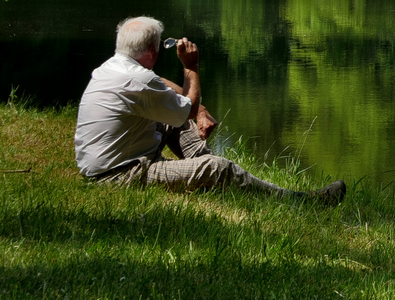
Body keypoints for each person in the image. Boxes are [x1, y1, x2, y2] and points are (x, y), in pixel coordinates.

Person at [74, 15, 345, 205]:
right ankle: (303, 202)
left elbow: (160, 86)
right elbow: (185, 109)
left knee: (174, 121)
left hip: (104, 166)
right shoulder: (138, 79)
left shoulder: (113, 68)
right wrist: (191, 66)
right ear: (153, 50)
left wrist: (199, 108)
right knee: (217, 167)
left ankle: (204, 170)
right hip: (120, 175)